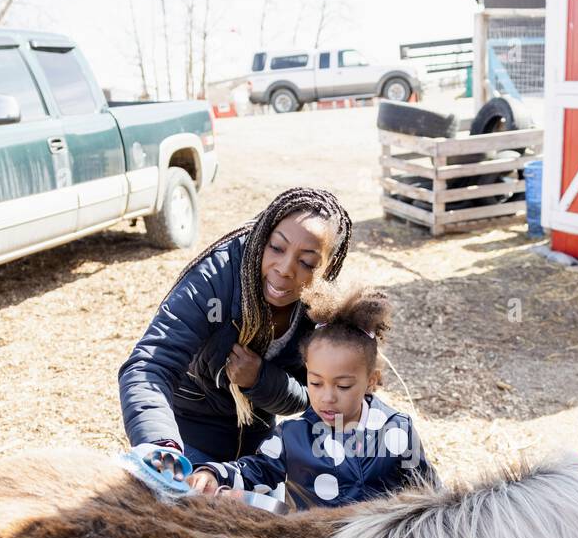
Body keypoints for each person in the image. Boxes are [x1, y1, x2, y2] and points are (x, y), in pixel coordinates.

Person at [118, 187, 352, 473]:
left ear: (327, 270)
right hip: (188, 437)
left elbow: (312, 395)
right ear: (263, 237)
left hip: (260, 452)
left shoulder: (322, 309)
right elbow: (149, 367)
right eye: (276, 247)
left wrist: (261, 380)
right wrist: (161, 446)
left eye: (306, 262)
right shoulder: (216, 278)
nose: (285, 268)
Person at [189, 286, 441, 508]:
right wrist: (214, 475)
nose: (327, 397)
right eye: (316, 383)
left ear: (371, 382)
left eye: (343, 386)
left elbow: (429, 490)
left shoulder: (397, 430)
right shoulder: (293, 437)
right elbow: (256, 470)